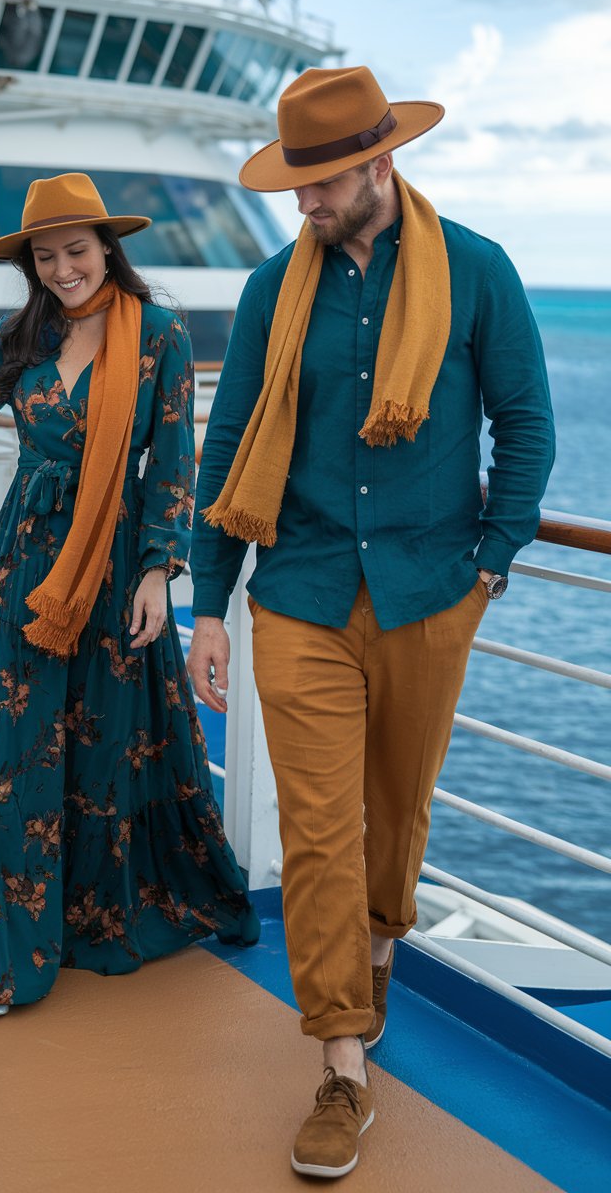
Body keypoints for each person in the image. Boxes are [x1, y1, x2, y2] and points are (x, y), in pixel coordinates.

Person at [187, 66, 555, 1178]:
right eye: (293, 183)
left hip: (427, 593)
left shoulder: (478, 272)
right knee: (314, 827)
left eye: (320, 182)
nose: (303, 202)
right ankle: (341, 1062)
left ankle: (378, 950)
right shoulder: (271, 287)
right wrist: (207, 604)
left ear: (377, 164)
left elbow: (524, 429)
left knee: (396, 813)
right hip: (298, 591)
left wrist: (485, 566)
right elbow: (230, 441)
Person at [0, 172, 259, 1015]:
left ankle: (84, 912)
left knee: (103, 740)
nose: (65, 268)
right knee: (3, 744)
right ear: (30, 265)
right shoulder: (26, 330)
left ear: (109, 246)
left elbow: (174, 461)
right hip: (25, 562)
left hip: (111, 564)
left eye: (77, 250)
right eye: (46, 256)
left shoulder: (160, 334)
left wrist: (157, 573)